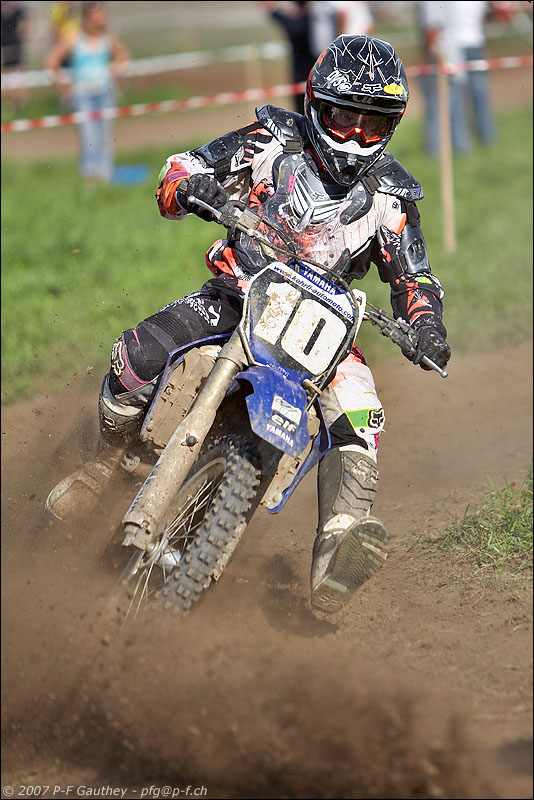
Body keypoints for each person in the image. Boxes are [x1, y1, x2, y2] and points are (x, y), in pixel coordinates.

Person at [47, 35, 451, 614]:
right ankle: (103, 464)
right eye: (345, 118)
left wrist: (427, 326)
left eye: (372, 125)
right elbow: (184, 166)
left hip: (323, 331)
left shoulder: (391, 194)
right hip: (240, 293)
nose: (355, 136)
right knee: (137, 355)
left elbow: (414, 276)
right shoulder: (273, 140)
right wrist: (192, 186)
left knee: (363, 417)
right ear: (317, 104)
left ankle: (337, 547)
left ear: (391, 126)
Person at [45, 0, 129, 183]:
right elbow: (52, 61)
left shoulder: (108, 37)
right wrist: (64, 87)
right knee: (88, 136)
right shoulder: (74, 38)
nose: (100, 18)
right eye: (96, 15)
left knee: (104, 136)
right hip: (83, 95)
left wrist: (115, 69)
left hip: (105, 93)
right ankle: (89, 178)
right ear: (87, 17)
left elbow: (123, 56)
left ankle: (105, 176)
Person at [416, 1, 495, 156]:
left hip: (442, 53)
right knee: (461, 102)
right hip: (457, 50)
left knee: (437, 105)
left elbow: (433, 27)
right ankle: (465, 148)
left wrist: (427, 58)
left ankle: (437, 152)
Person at [1, 0, 29, 110]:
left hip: (15, 42)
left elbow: (27, 17)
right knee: (8, 71)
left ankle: (21, 99)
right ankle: (11, 100)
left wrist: (23, 32)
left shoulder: (16, 6)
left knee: (18, 70)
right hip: (5, 43)